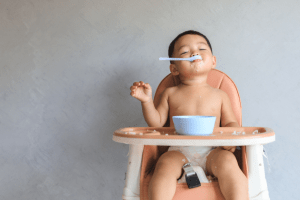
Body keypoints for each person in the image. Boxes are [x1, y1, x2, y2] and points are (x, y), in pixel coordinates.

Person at [130, 30, 248, 200]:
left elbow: (231, 123)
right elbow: (156, 122)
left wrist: (230, 140)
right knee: (164, 165)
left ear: (213, 61)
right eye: (185, 52)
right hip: (178, 151)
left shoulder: (220, 95)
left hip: (212, 151)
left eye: (201, 49)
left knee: (228, 162)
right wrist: (146, 101)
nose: (194, 53)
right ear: (174, 68)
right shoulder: (170, 93)